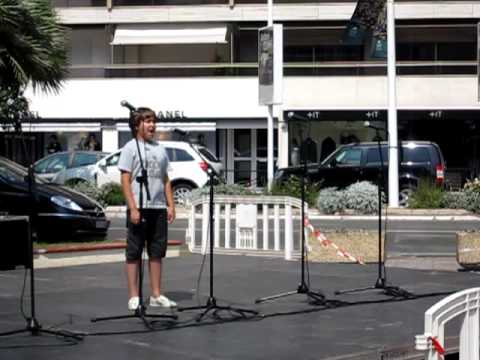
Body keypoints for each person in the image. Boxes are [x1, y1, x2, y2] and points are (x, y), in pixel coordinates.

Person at [117, 108, 177, 311]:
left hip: (157, 207)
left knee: (157, 252)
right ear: (137, 125)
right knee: (134, 252)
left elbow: (166, 179)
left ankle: (156, 294)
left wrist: (170, 204)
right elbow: (125, 180)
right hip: (139, 208)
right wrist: (132, 208)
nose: (152, 125)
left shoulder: (160, 149)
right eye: (148, 121)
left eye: (154, 121)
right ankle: (134, 296)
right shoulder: (130, 147)